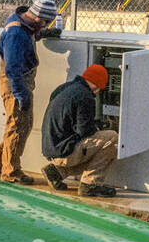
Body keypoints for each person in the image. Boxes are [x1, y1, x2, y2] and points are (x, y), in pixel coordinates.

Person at [0, 0, 59, 184]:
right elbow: (13, 69)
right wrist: (21, 95)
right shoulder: (16, 34)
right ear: (39, 18)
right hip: (16, 83)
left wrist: (43, 34)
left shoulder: (24, 25)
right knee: (18, 127)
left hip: (17, 82)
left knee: (17, 126)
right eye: (46, 23)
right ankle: (11, 172)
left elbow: (31, 34)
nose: (45, 26)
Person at [40, 64, 119, 198]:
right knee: (112, 138)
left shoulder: (64, 88)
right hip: (64, 152)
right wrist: (99, 127)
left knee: (95, 151)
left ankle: (56, 172)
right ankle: (90, 185)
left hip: (51, 148)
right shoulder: (85, 96)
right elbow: (84, 131)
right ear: (98, 85)